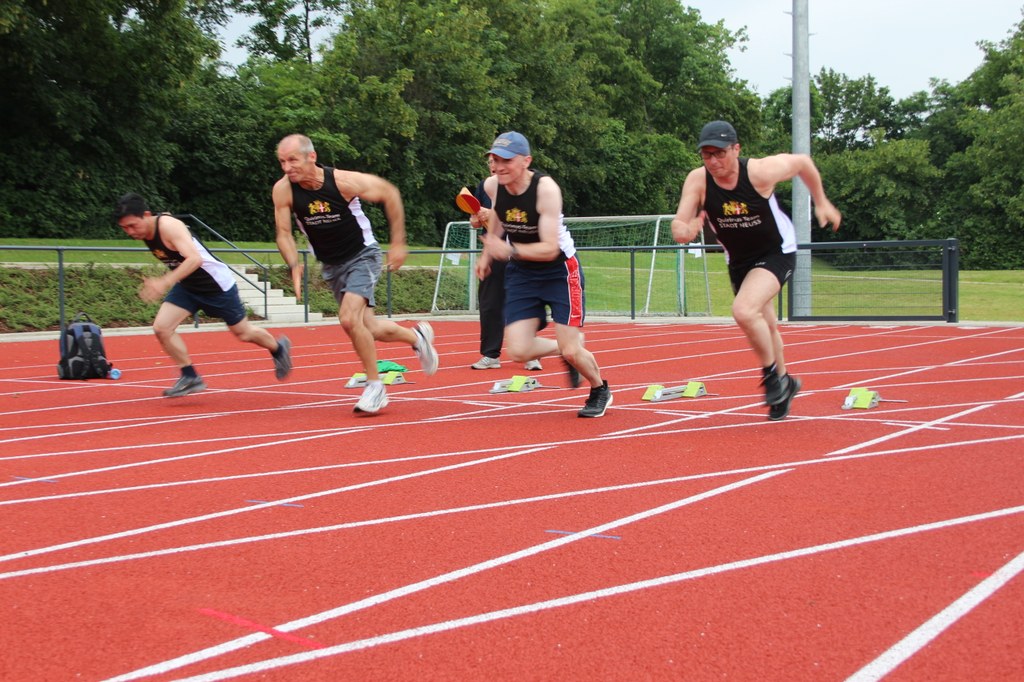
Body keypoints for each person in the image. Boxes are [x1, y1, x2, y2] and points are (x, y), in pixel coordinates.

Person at [671, 120, 841, 420]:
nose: (713, 161)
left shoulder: (760, 172)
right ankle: (786, 381)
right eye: (706, 155)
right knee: (767, 323)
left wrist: (822, 202)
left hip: (776, 251)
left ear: (736, 149)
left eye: (720, 153)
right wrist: (685, 229)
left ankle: (771, 375)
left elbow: (802, 162)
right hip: (739, 260)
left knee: (744, 310)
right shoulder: (698, 181)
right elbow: (680, 225)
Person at [272, 133, 438, 414]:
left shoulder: (342, 182)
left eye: (293, 160)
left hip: (363, 255)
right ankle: (417, 339)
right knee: (369, 328)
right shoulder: (284, 190)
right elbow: (284, 234)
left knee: (349, 319)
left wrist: (398, 242)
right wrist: (293, 264)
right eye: (282, 162)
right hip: (332, 264)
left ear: (311, 157)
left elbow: (390, 193)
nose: (287, 168)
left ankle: (375, 388)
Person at [473, 131, 611, 418]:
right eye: (494, 159)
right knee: (520, 351)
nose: (498, 166)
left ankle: (599, 388)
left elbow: (549, 248)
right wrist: (487, 254)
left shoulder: (545, 190)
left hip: (559, 270)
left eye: (506, 161)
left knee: (572, 350)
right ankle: (564, 348)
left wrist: (506, 251)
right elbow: (498, 215)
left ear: (526, 161)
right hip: (523, 272)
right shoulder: (493, 185)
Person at [114, 192, 292, 397]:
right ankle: (190, 376)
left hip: (216, 285)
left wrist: (164, 282)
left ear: (146, 214)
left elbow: (194, 259)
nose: (130, 232)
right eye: (125, 228)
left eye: (132, 225)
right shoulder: (148, 229)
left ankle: (278, 349)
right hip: (188, 286)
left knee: (243, 333)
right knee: (162, 328)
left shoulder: (168, 227)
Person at [468, 169, 542, 372]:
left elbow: (522, 215)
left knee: (525, 301)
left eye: (501, 160)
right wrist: (476, 218)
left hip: (520, 250)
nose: (495, 165)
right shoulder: (485, 186)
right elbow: (474, 220)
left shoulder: (524, 187)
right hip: (493, 251)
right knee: (490, 303)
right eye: (492, 161)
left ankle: (531, 354)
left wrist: (492, 214)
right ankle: (490, 354)